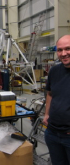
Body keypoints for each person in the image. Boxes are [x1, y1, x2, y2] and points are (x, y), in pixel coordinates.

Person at [43, 35, 70, 165]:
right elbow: (50, 93)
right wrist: (47, 114)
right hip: (52, 133)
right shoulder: (54, 71)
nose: (63, 53)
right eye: (60, 50)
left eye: (68, 49)